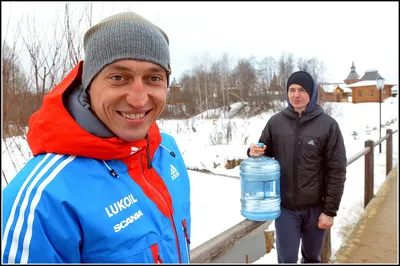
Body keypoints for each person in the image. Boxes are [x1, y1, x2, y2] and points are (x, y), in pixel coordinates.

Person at [2, 11, 191, 263]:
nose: (138, 99)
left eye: (153, 78)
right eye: (118, 77)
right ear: (89, 85)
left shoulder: (166, 150)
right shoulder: (43, 198)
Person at [248, 71, 347, 263]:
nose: (296, 95)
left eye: (302, 90)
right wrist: (253, 152)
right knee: (286, 260)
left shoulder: (328, 125)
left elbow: (337, 170)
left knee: (311, 258)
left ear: (312, 94)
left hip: (316, 208)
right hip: (285, 209)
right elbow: (264, 152)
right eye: (291, 90)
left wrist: (329, 211)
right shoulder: (276, 122)